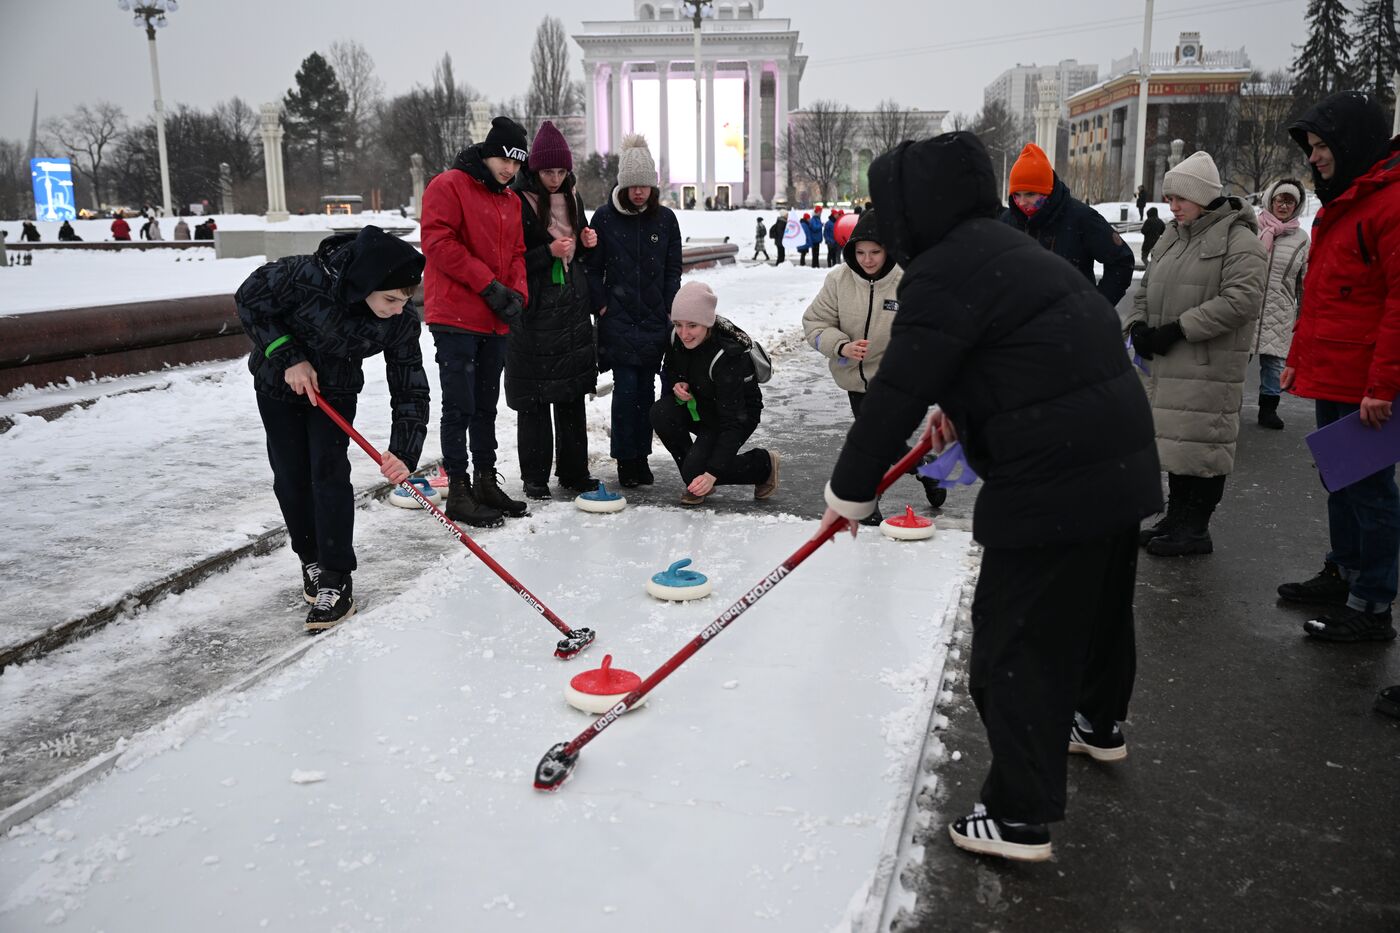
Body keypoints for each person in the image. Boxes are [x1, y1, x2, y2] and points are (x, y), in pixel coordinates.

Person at [822, 132, 1160, 863]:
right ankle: (1098, 724)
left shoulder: (942, 274)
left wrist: (848, 494)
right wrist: (960, 402)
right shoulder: (1009, 249)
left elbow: (892, 396)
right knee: (1097, 612)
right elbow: (1013, 348)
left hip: (1055, 471)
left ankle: (1018, 815)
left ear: (916, 208)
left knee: (1015, 645)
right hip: (1120, 455)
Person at [234, 225, 429, 632]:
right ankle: (311, 560)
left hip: (335, 392)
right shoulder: (302, 276)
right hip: (278, 385)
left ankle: (336, 576)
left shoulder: (399, 321)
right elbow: (249, 301)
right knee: (291, 478)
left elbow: (409, 383)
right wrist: (288, 357)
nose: (398, 308)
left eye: (405, 299)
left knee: (328, 474)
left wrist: (404, 451)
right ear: (364, 284)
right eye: (390, 298)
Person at [1276, 90, 1400, 652]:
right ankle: (1344, 574)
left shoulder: (1389, 205)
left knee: (1370, 493)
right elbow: (1323, 298)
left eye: (1324, 145)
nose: (1316, 157)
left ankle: (1371, 605)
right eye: (1313, 147)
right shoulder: (1345, 203)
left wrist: (1383, 386)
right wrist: (1298, 362)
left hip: (1367, 385)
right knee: (1340, 482)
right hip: (1335, 373)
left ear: (1352, 143)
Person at [1126, 150, 1267, 557]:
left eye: (1179, 199)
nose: (1172, 206)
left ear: (1203, 197)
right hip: (1169, 363)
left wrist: (1178, 328)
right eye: (1169, 198)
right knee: (1178, 443)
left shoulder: (1240, 241)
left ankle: (1196, 528)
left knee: (1204, 445)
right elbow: (1145, 287)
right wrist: (1137, 325)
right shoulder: (1173, 236)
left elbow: (1241, 300)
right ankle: (1177, 518)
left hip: (1209, 363)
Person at [421, 115, 533, 527]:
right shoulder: (449, 184)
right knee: (460, 406)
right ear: (488, 152)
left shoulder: (512, 200)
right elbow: (437, 241)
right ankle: (459, 489)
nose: (510, 169)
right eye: (504, 158)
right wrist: (488, 286)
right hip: (455, 315)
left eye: (517, 163)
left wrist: (518, 294)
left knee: (486, 406)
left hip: (495, 318)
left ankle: (485, 480)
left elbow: (518, 253)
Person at [506, 120, 602, 500]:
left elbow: (578, 245)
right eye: (548, 171)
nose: (555, 178)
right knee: (533, 398)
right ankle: (534, 476)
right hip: (534, 313)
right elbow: (511, 260)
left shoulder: (574, 197)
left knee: (571, 395)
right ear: (534, 169)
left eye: (561, 171)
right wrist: (547, 252)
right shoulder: (518, 203)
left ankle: (575, 472)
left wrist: (587, 240)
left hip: (571, 310)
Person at [584, 133, 682, 488]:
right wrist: (602, 303)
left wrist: (671, 306)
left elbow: (674, 269)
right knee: (626, 391)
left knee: (647, 393)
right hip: (620, 319)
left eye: (645, 186)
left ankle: (641, 457)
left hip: (656, 318)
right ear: (623, 185)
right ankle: (626, 460)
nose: (639, 192)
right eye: (633, 186)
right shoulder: (605, 219)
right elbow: (592, 268)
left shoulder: (666, 220)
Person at [801, 208, 905, 524]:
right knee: (883, 440)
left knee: (872, 440)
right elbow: (814, 322)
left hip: (893, 379)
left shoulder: (905, 280)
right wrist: (841, 346)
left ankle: (866, 500)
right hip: (854, 378)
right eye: (860, 252)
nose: (868, 259)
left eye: (875, 251)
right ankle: (926, 470)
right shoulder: (838, 280)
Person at [651, 281, 779, 506]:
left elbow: (732, 423)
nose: (684, 333)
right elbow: (671, 368)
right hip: (704, 406)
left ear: (707, 324)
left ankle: (763, 465)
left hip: (736, 416)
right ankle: (694, 476)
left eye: (692, 325)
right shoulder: (674, 337)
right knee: (661, 412)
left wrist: (711, 474)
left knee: (700, 470)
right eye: (678, 324)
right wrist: (677, 383)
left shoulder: (727, 356)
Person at [1001, 143, 1136, 308]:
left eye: (1030, 194)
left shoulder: (1081, 218)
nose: (1022, 202)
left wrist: (1095, 308)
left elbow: (1121, 262)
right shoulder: (1007, 222)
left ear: (1047, 190)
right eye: (1016, 195)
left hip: (1071, 326)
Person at [1252, 178, 1310, 430]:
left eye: (1290, 201)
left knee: (1274, 364)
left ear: (1296, 206)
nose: (1283, 206)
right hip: (1245, 305)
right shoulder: (1251, 228)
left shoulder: (1301, 239)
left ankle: (1268, 410)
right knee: (1233, 358)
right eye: (1280, 200)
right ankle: (1226, 406)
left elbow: (1304, 281)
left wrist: (1304, 314)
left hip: (1280, 309)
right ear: (1270, 200)